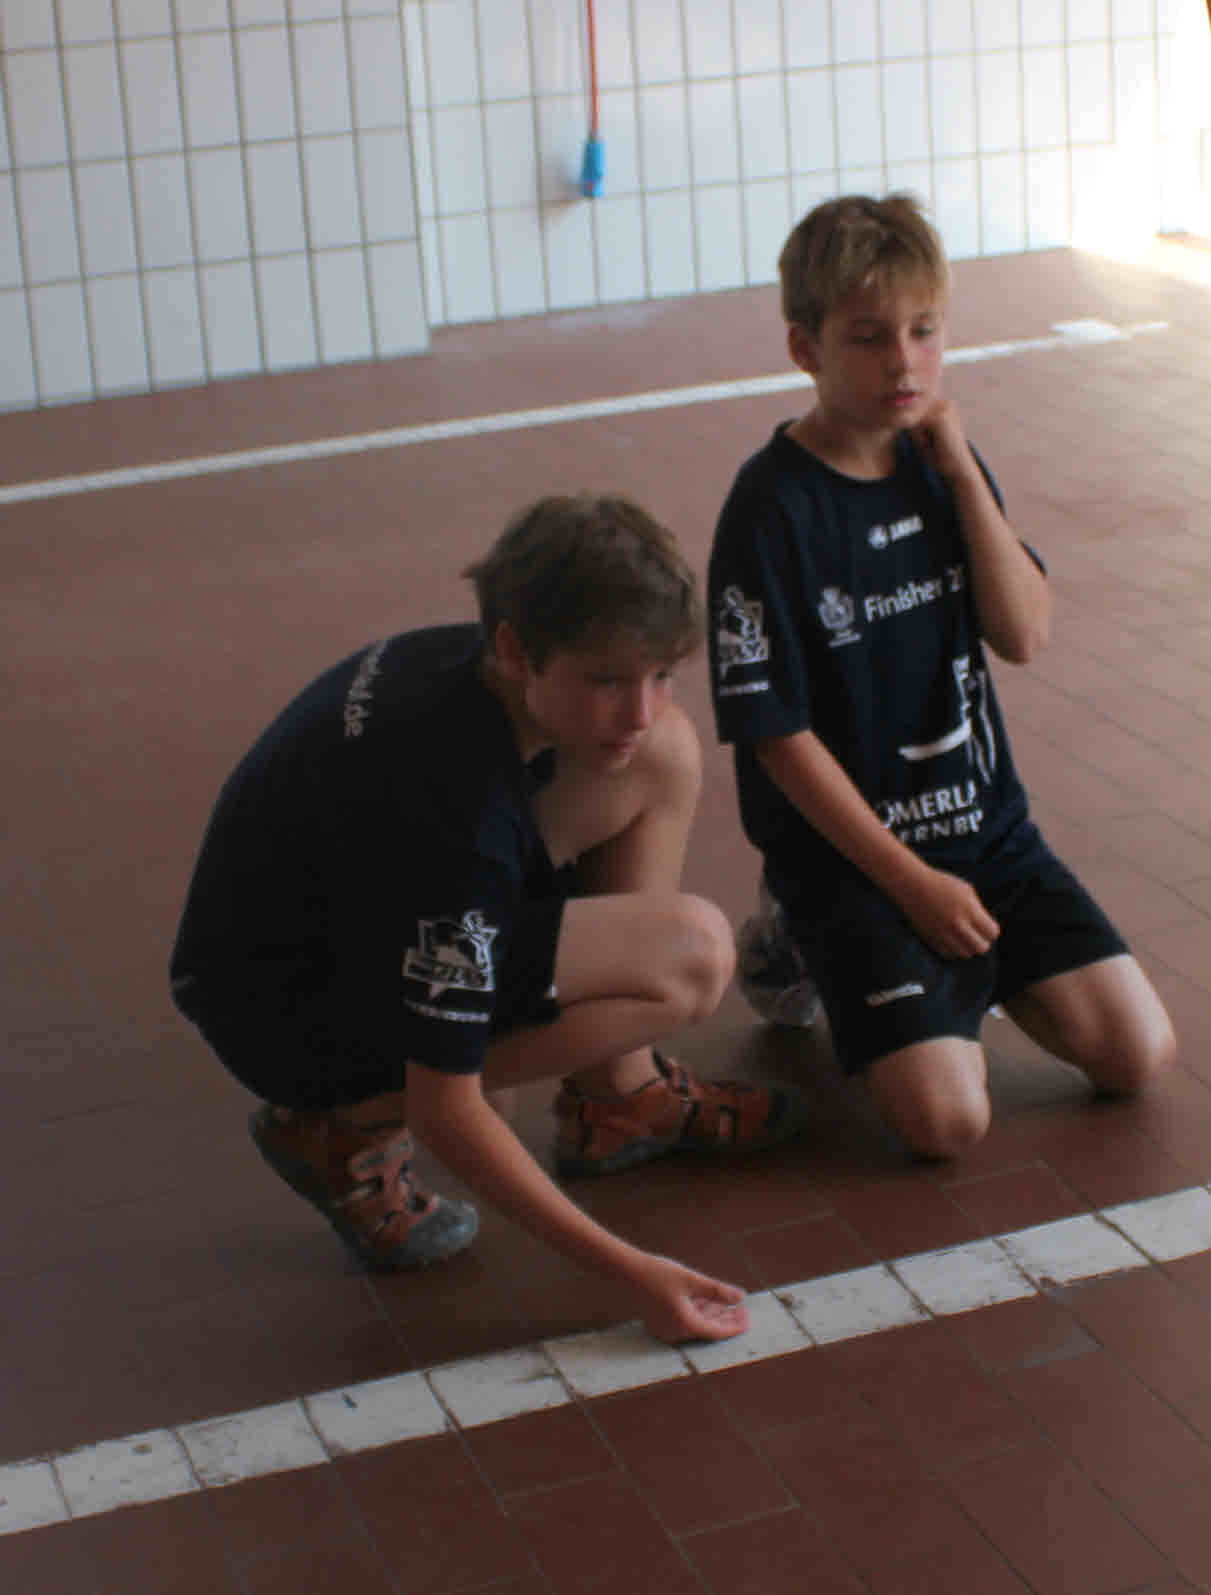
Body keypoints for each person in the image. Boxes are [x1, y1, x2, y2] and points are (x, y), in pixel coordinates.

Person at [171, 494, 804, 1344]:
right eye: (607, 680)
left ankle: (619, 1096)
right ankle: (340, 1122)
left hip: (330, 912)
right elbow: (451, 1112)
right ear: (515, 648)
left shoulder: (477, 666)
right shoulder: (456, 821)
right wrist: (633, 1275)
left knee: (661, 752)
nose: (639, 707)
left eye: (659, 674)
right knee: (689, 956)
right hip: (288, 1014)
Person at [707, 193, 1176, 1159]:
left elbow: (1023, 633)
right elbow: (775, 737)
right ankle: (794, 936)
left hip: (987, 836)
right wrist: (912, 884)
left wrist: (961, 477)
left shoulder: (941, 465)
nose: (904, 362)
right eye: (868, 337)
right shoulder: (770, 511)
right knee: (947, 1123)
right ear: (804, 348)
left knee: (1137, 1053)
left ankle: (958, 976)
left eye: (924, 331)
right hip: (853, 861)